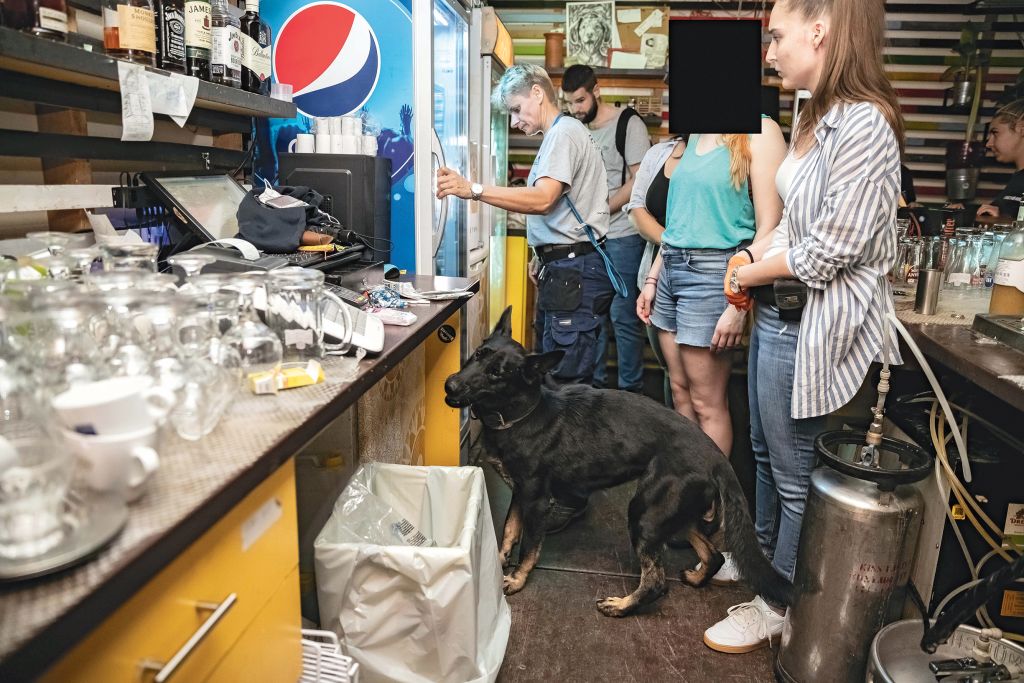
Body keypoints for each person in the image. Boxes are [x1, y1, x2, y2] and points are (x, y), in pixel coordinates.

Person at [704, 0, 904, 654]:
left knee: (794, 481)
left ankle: (774, 603)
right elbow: (793, 222)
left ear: (820, 32)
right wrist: (752, 258)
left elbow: (827, 250)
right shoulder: (814, 113)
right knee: (764, 457)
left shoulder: (867, 126)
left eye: (777, 37)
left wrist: (745, 275)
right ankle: (760, 563)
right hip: (781, 316)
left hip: (813, 326)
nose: (768, 53)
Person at [437, 64, 618, 533]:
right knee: (561, 382)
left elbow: (541, 200)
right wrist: (543, 255)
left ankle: (569, 499)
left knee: (566, 390)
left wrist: (471, 189)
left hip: (576, 271)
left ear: (538, 93)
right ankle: (562, 492)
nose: (516, 122)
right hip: (569, 268)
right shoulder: (564, 134)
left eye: (517, 110)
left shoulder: (562, 133)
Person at [562, 64, 651, 392]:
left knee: (624, 319)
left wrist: (598, 211)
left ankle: (631, 393)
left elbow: (638, 180)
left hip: (622, 237)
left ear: (597, 91)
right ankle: (593, 393)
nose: (576, 109)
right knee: (590, 318)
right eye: (570, 103)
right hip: (587, 240)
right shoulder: (574, 128)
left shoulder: (629, 124)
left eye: (581, 100)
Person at [624, 134, 687, 405]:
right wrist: (672, 243)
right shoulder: (659, 153)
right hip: (654, 276)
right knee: (671, 376)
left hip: (703, 279)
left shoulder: (722, 152)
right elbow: (635, 207)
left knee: (700, 388)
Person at [976, 98, 1024, 220]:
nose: (988, 143)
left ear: (1022, 129)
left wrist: (1004, 220)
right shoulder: (1018, 179)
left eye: (995, 133)